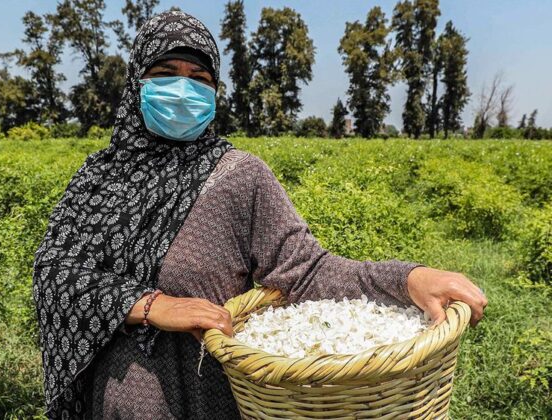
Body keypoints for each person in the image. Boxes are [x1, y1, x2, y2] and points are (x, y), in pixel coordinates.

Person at [32, 10, 488, 419]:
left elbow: (307, 273)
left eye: (199, 77)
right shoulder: (101, 177)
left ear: (215, 89)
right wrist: (151, 305)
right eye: (166, 72)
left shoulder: (238, 176)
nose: (184, 88)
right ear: (136, 83)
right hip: (118, 401)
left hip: (211, 398)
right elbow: (56, 272)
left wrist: (407, 280)